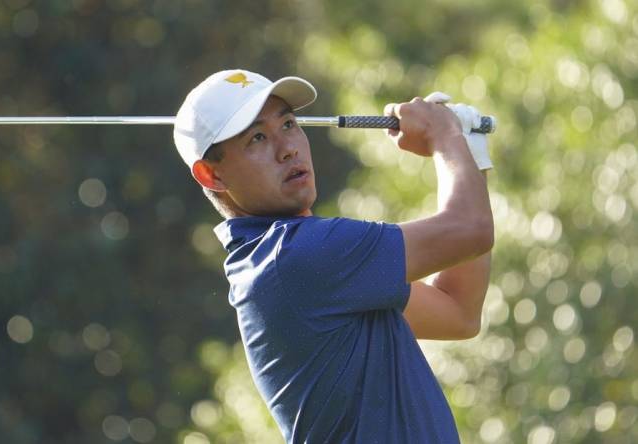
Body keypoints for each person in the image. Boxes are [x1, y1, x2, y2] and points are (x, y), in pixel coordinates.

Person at [173, 69, 493, 443]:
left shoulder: (299, 263)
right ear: (212, 176)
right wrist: (446, 136)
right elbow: (471, 230)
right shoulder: (296, 255)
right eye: (257, 138)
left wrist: (468, 154)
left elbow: (457, 312)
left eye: (289, 124)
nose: (287, 147)